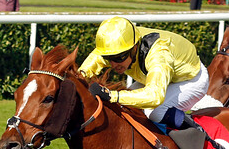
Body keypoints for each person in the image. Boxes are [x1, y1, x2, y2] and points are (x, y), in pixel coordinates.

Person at [81, 17, 211, 137]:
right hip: (155, 75)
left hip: (191, 80)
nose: (114, 64)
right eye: (109, 59)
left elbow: (154, 97)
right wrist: (78, 78)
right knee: (127, 106)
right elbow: (88, 66)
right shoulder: (121, 45)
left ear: (135, 48)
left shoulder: (159, 54)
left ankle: (199, 133)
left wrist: (112, 95)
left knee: (155, 113)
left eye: (119, 58)